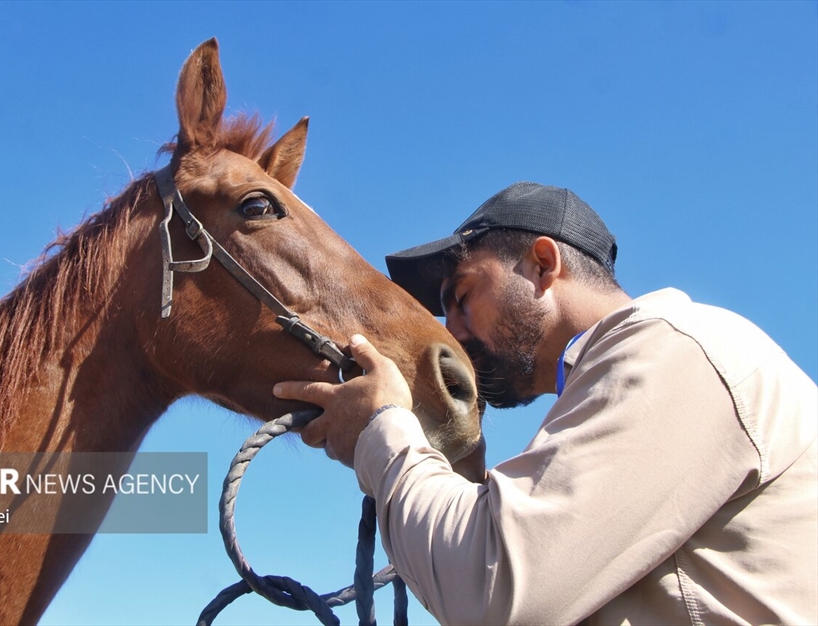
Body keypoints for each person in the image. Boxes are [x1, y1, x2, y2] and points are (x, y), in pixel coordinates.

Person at [274, 182, 818, 625]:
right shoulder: (624, 378)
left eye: (461, 299)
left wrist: (380, 430)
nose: (456, 334)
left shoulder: (671, 348)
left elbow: (491, 590)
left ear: (541, 263)